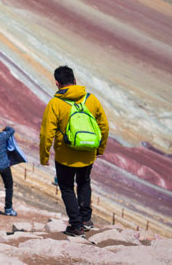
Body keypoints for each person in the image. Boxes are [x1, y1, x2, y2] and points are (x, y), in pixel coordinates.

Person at [40, 65, 109, 236]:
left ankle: (76, 225)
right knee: (84, 183)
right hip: (88, 153)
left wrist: (44, 156)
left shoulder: (55, 103)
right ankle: (86, 219)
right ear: (75, 80)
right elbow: (104, 127)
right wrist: (100, 148)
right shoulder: (91, 99)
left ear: (57, 83)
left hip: (65, 156)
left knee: (67, 188)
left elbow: (46, 133)